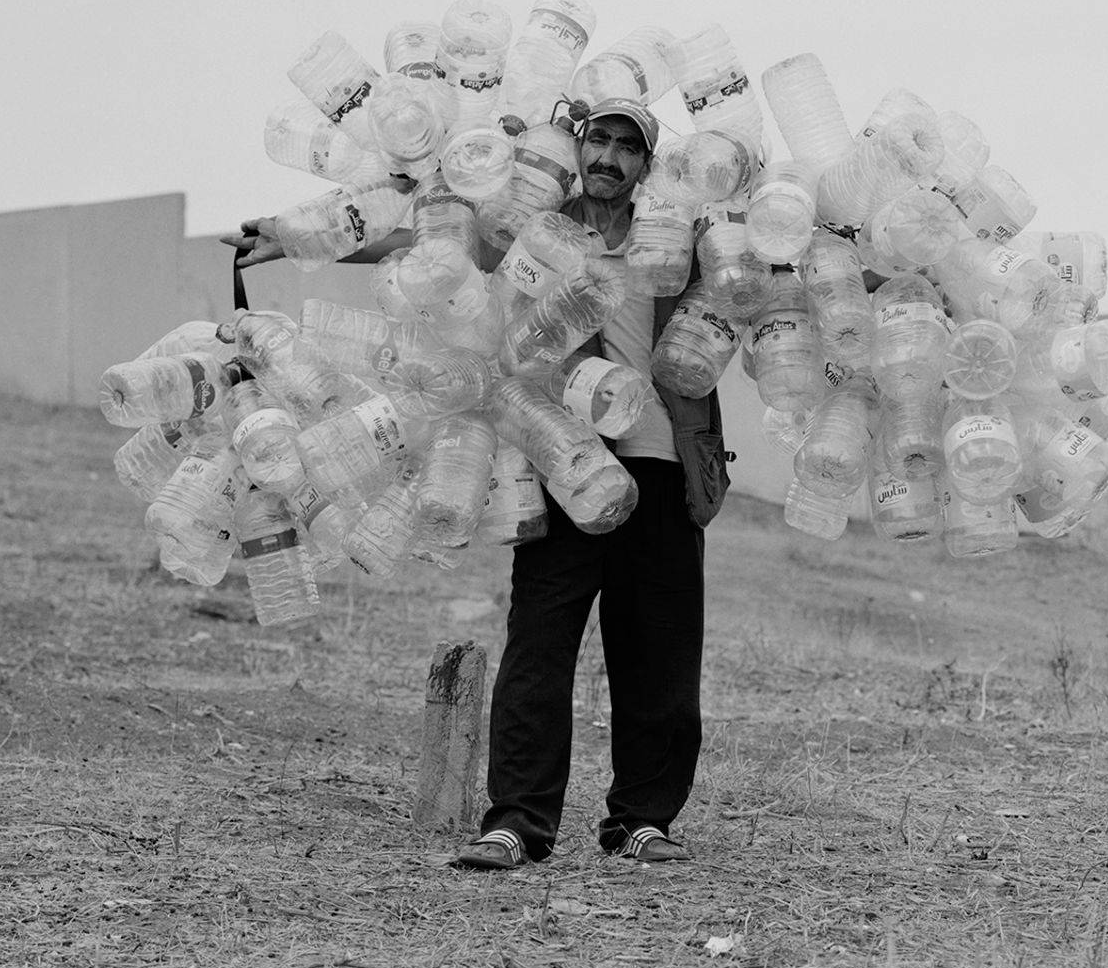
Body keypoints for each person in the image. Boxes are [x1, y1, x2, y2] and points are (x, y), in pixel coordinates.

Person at [224, 101, 732, 870]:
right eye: (602, 139)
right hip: (561, 460)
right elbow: (432, 251)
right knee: (539, 643)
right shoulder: (535, 229)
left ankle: (642, 820)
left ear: (646, 165)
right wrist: (290, 237)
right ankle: (519, 823)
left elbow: (773, 275)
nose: (612, 157)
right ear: (580, 144)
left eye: (631, 147)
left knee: (659, 654)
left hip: (661, 464)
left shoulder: (678, 238)